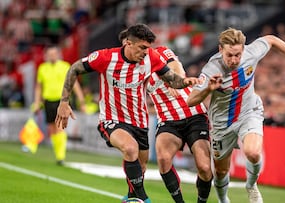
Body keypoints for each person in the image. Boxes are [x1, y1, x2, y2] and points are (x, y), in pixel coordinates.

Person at [55, 24, 200, 202]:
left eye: (148, 48)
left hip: (139, 121)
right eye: (142, 48)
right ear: (128, 44)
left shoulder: (151, 57)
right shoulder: (106, 57)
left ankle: (131, 197)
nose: (146, 52)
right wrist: (64, 101)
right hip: (112, 118)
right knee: (130, 149)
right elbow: (74, 68)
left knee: (141, 165)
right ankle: (144, 198)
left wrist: (186, 82)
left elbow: (172, 79)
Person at [187, 28, 285, 203]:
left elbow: (271, 39)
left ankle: (251, 185)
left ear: (243, 50)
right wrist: (208, 88)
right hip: (221, 123)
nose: (234, 60)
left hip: (249, 112)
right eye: (229, 55)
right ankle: (223, 199)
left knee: (253, 153)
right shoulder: (211, 69)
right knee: (221, 171)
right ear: (220, 50)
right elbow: (190, 100)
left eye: (237, 55)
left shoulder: (251, 53)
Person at [119, 29, 213, 203]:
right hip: (167, 120)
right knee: (163, 159)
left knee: (205, 167)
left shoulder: (161, 52)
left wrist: (174, 80)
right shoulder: (132, 70)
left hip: (193, 114)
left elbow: (177, 66)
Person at [33, 46, 85, 165]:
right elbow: (39, 87)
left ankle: (60, 156)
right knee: (51, 129)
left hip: (62, 101)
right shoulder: (42, 68)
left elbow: (74, 84)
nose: (52, 56)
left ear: (58, 54)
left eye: (54, 54)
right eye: (49, 54)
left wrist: (81, 101)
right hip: (48, 101)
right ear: (46, 56)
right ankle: (58, 153)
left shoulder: (65, 66)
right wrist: (37, 103)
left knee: (60, 127)